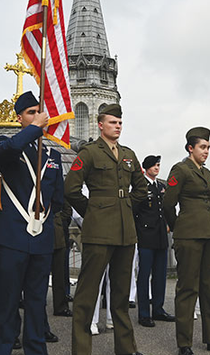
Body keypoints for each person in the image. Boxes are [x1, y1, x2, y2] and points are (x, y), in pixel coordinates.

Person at [63, 103, 148, 355]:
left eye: (120, 122)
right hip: (98, 230)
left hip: (125, 231)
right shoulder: (89, 153)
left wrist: (126, 205)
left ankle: (125, 348)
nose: (118, 126)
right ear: (101, 125)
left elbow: (141, 189)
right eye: (112, 122)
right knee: (87, 295)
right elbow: (71, 189)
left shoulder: (129, 154)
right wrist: (93, 210)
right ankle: (81, 350)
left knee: (121, 296)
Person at [0, 91, 64, 355]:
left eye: (40, 112)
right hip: (11, 240)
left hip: (41, 240)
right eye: (31, 112)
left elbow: (59, 200)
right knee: (7, 305)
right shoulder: (6, 144)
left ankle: (36, 349)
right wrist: (33, 129)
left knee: (36, 303)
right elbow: (7, 152)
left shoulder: (53, 156)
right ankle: (1, 350)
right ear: (20, 118)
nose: (39, 117)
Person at [162, 127, 210, 355]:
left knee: (209, 287)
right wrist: (178, 227)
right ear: (190, 148)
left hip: (209, 236)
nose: (206, 151)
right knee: (187, 289)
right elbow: (167, 204)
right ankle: (184, 343)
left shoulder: (208, 173)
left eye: (208, 147)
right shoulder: (180, 170)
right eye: (203, 147)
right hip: (188, 236)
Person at [134, 155, 174, 328]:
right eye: (155, 165)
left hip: (160, 236)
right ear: (147, 167)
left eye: (159, 165)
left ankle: (158, 309)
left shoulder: (161, 186)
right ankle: (144, 313)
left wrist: (168, 224)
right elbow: (134, 211)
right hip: (145, 235)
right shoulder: (140, 186)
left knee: (159, 276)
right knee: (144, 276)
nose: (158, 167)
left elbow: (165, 209)